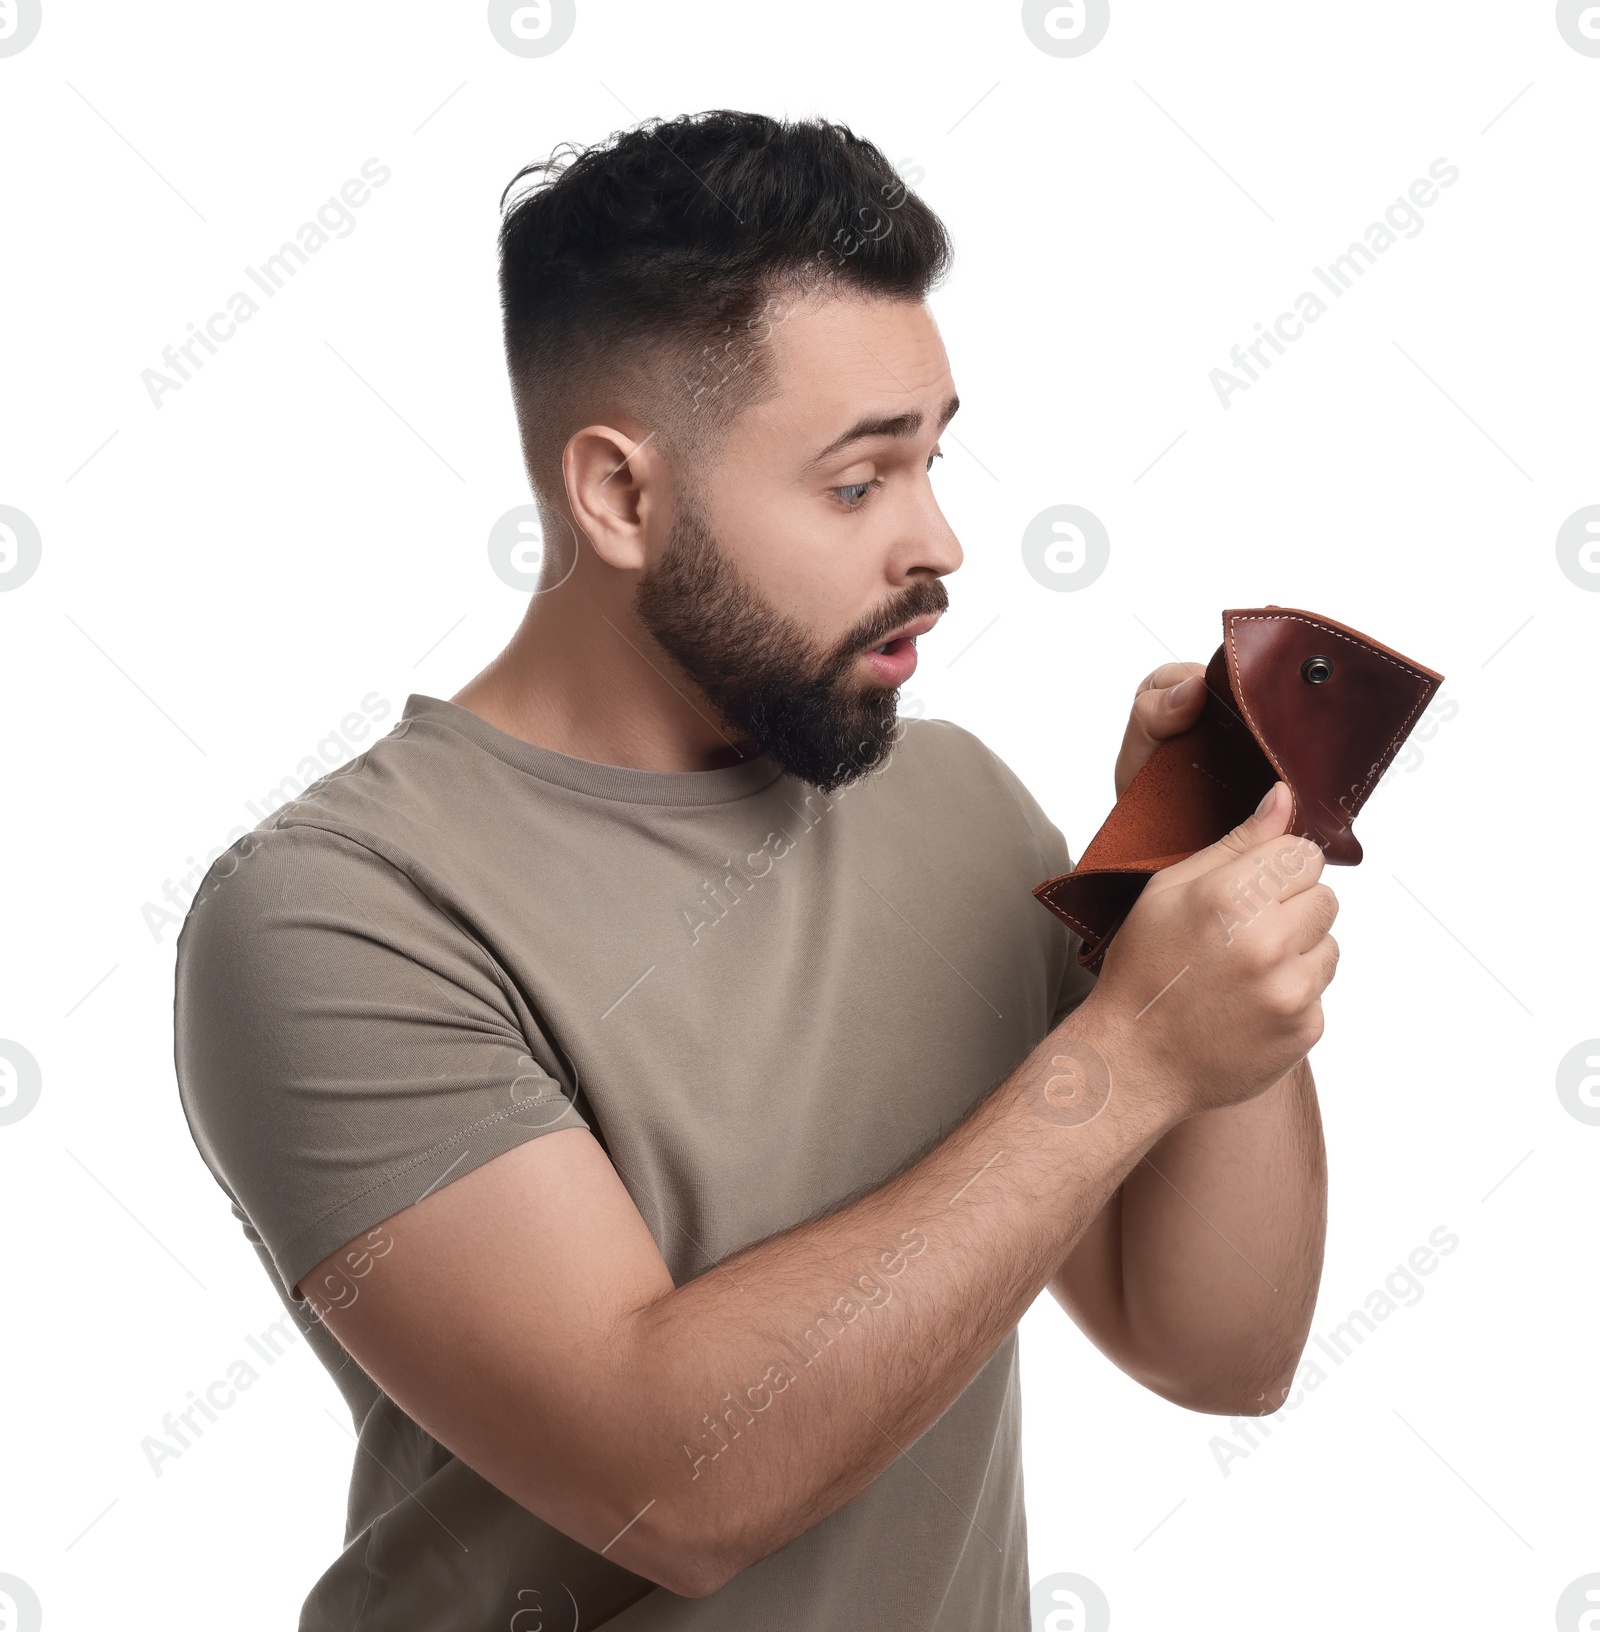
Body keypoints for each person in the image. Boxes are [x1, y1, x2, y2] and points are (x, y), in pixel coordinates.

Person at [173, 110, 1335, 1630]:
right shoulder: (339, 911)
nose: (941, 541)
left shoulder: (962, 803)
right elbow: (676, 1486)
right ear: (622, 498)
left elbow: (1223, 1353)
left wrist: (1192, 875)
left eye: (932, 456)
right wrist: (1124, 1056)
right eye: (858, 484)